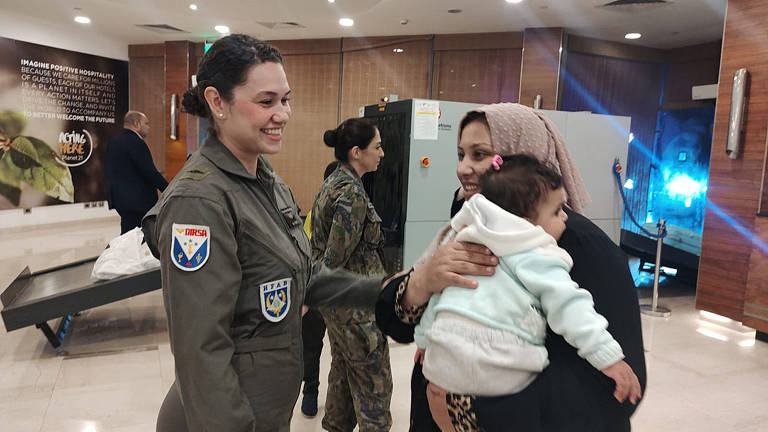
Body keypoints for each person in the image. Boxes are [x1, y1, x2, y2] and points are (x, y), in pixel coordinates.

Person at [140, 34, 389, 432]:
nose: (283, 114)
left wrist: (388, 290)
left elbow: (305, 275)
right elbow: (201, 351)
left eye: (285, 99)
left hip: (265, 408)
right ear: (217, 102)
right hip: (227, 417)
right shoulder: (201, 203)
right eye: (266, 101)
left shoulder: (264, 178)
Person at [375, 103, 647, 432]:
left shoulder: (579, 245)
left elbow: (607, 395)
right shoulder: (475, 217)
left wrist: (464, 410)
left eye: (480, 154)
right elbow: (396, 321)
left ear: (524, 159)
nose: (463, 168)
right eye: (461, 154)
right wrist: (421, 284)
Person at [310, 118, 393, 431]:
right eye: (377, 146)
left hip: (340, 308)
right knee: (375, 388)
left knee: (343, 377)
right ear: (357, 152)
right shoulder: (351, 196)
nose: (382, 153)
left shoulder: (334, 184)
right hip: (356, 311)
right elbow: (334, 260)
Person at [300, 160, 338, 418]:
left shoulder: (358, 210)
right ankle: (310, 392)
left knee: (342, 350)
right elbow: (303, 255)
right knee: (312, 346)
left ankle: (339, 398)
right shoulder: (316, 212)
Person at [105, 110, 168, 234]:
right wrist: (169, 189)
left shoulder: (114, 142)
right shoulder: (136, 142)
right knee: (139, 238)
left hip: (120, 200)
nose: (148, 127)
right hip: (139, 202)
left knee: (127, 236)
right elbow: (149, 172)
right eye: (146, 123)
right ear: (136, 124)